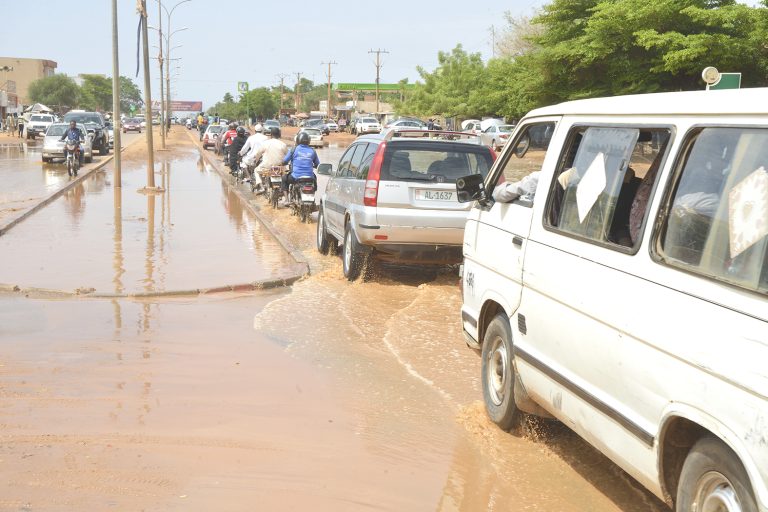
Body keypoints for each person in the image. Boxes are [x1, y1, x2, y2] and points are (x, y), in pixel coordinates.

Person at [246, 126, 289, 191]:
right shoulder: (283, 144)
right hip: (280, 167)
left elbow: (258, 154)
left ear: (271, 135)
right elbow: (288, 155)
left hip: (267, 167)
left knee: (256, 170)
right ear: (279, 135)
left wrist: (256, 160)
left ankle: (261, 186)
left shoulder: (266, 143)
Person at [282, 132, 319, 203]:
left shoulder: (293, 149)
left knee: (284, 178)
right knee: (315, 179)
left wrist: (283, 163)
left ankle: (286, 200)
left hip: (295, 177)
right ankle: (313, 197)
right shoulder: (312, 151)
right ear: (308, 141)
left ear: (298, 140)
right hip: (310, 178)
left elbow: (285, 161)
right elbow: (318, 165)